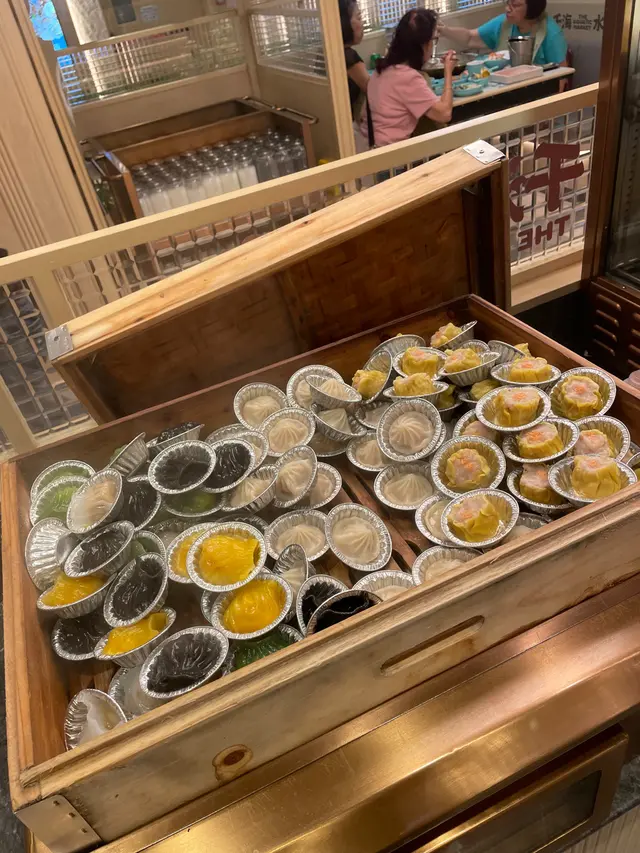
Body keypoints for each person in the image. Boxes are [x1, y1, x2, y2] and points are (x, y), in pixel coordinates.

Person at [359, 8, 456, 148]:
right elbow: (444, 114)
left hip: (368, 146)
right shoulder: (407, 77)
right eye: (433, 40)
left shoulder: (382, 68)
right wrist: (448, 71)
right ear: (424, 44)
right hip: (389, 155)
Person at [438, 0, 567, 67]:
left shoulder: (551, 32)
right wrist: (443, 30)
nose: (507, 9)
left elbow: (562, 74)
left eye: (515, 5)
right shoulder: (503, 23)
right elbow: (470, 38)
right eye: (507, 3)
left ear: (533, 7)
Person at [340, 0, 369, 118]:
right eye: (359, 18)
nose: (362, 24)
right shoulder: (349, 57)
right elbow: (374, 91)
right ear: (344, 23)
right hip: (347, 123)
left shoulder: (330, 51)